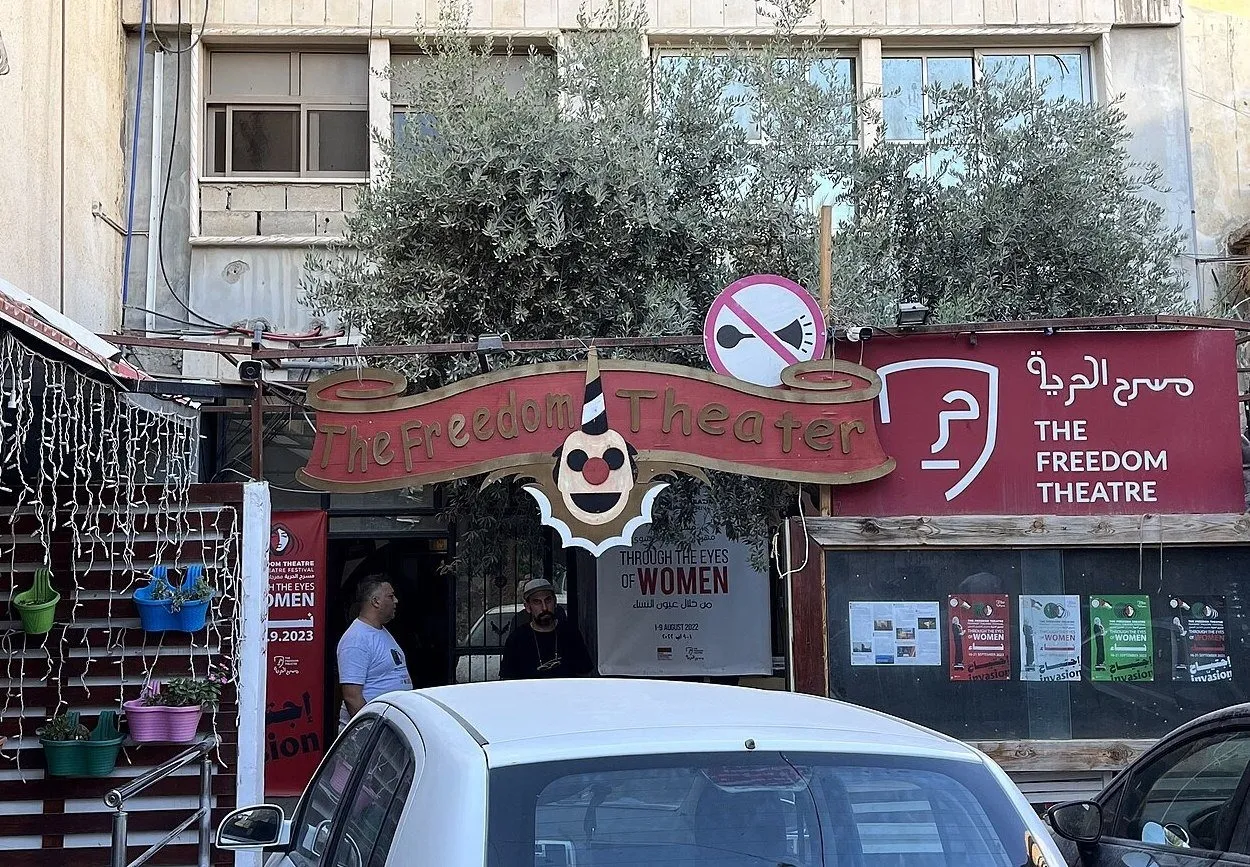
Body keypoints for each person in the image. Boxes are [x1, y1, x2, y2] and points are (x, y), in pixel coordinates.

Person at [336, 576, 412, 727]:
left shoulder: (380, 632)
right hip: (370, 737)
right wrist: (370, 732)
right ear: (376, 601)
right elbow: (352, 697)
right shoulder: (356, 639)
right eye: (390, 596)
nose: (396, 601)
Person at [499, 578, 593, 680]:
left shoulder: (570, 634)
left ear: (555, 602)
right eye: (537, 602)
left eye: (548, 600)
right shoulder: (517, 639)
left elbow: (585, 673)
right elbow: (507, 680)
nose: (544, 608)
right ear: (528, 607)